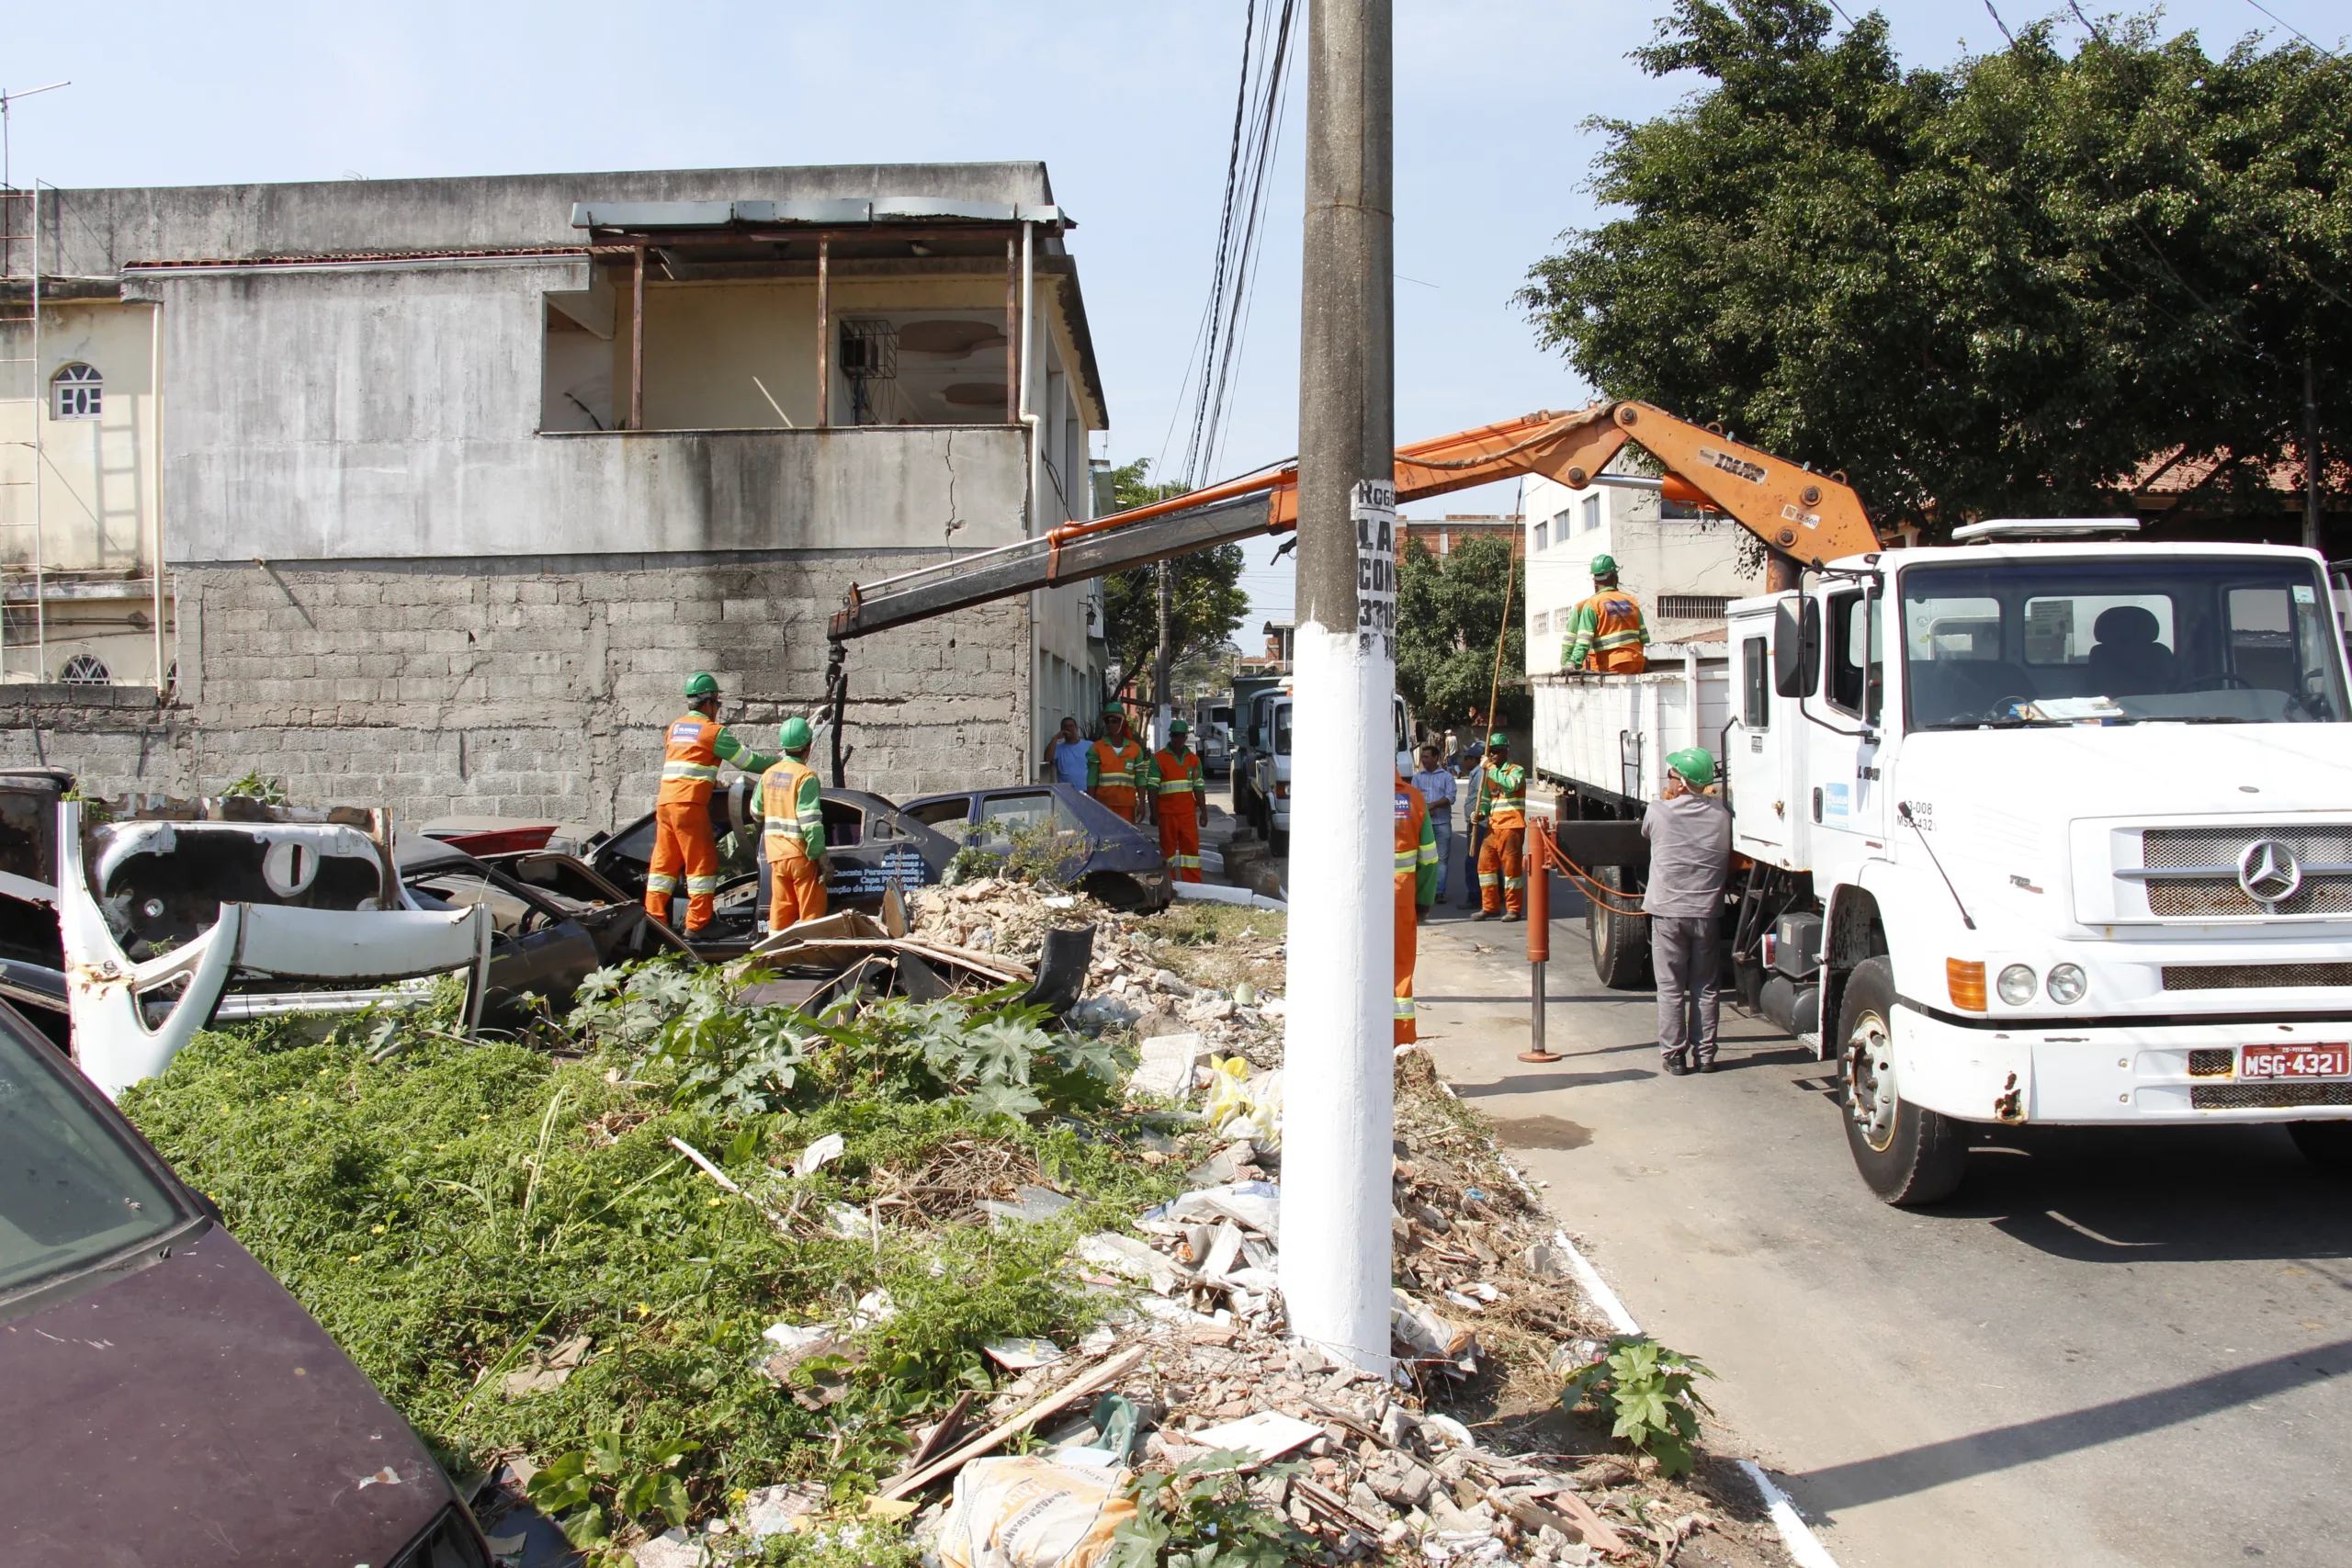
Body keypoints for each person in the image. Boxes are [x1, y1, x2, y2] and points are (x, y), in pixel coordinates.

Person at [646, 671, 780, 936]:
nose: (718, 709)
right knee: (702, 865)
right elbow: (748, 762)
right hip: (689, 805)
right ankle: (698, 925)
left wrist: (713, 783)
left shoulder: (675, 729)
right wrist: (779, 762)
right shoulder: (712, 732)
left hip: (665, 804)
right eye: (718, 704)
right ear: (709, 702)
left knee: (663, 865)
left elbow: (689, 764)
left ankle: (653, 922)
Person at [1645, 747, 1733, 1075]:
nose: (1666, 780)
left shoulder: (1659, 812)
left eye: (1670, 774)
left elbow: (1647, 835)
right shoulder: (1722, 815)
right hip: (1707, 912)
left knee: (1670, 987)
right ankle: (1706, 1055)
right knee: (1706, 986)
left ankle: (1674, 1056)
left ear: (1681, 783)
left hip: (1668, 912)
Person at [761, 716, 830, 934]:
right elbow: (811, 822)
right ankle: (810, 958)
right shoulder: (806, 776)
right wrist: (822, 858)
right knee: (811, 914)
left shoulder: (768, 774)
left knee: (780, 913)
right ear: (808, 747)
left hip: (776, 856)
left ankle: (775, 958)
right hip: (801, 857)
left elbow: (755, 811)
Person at [1394, 768, 1441, 1043]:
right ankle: (1400, 1046)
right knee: (1399, 970)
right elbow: (1429, 860)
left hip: (1354, 903)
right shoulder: (1413, 799)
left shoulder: (1346, 794)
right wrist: (1423, 901)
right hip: (1399, 899)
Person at [1471, 732, 1528, 921]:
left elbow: (1511, 785)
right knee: (1485, 868)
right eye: (1490, 752)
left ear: (1506, 751)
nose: (1493, 755)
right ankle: (1490, 907)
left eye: (1496, 751)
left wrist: (1490, 768)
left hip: (1512, 827)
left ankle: (1513, 908)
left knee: (1511, 872)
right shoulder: (1489, 776)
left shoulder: (1516, 770)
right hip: (1493, 829)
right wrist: (1479, 813)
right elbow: (1487, 801)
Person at [1562, 554, 1650, 674]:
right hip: (1638, 663)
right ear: (1615, 578)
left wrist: (1572, 662)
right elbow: (1645, 638)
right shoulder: (1631, 601)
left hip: (1612, 665)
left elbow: (1583, 642)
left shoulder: (1592, 605)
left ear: (1595, 582)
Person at [1152, 719, 1204, 883]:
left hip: (1188, 814)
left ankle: (1193, 884)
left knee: (1191, 852)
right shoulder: (1159, 759)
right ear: (1170, 736)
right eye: (1174, 735)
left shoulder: (1194, 760)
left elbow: (1199, 787)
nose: (1178, 739)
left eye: (1181, 736)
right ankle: (1169, 884)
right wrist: (1154, 813)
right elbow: (1152, 787)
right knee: (1167, 852)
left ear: (1186, 737)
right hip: (1167, 814)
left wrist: (1204, 811)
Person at [1087, 705, 1152, 824]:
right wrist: (1091, 804)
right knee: (1106, 840)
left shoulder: (1135, 749)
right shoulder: (1097, 748)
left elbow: (1140, 778)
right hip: (1103, 804)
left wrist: (1142, 804)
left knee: (1125, 840)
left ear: (1122, 722)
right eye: (1108, 721)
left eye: (1114, 721)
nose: (1111, 724)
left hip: (1126, 805)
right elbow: (1092, 778)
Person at [1411, 742, 1457, 906]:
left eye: (1426, 757)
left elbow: (1450, 797)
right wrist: (1425, 808)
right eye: (1422, 757)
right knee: (1422, 859)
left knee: (1442, 859)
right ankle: (1423, 891)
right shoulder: (1417, 778)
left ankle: (1439, 892)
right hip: (1423, 824)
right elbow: (1414, 798)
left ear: (1436, 758)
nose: (1423, 760)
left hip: (1442, 823)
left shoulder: (1446, 777)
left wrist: (1434, 805)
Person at [1044, 716, 1091, 788]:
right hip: (1067, 793)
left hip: (1087, 791)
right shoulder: (1058, 749)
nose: (1068, 728)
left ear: (1076, 728)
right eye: (1065, 726)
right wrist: (1055, 738)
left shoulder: (1089, 745)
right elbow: (1048, 758)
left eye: (1071, 726)